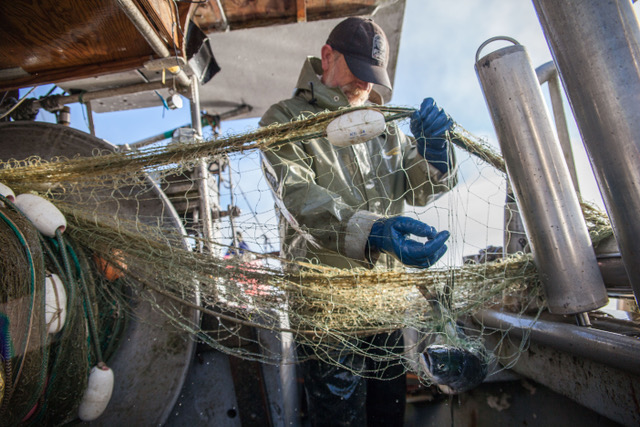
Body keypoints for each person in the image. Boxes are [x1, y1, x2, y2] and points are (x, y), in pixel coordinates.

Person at [260, 16, 457, 426]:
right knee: (339, 418)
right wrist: (376, 231)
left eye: (373, 76)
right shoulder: (284, 120)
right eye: (359, 72)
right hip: (327, 314)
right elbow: (298, 199)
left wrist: (438, 156)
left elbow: (421, 186)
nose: (364, 86)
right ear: (327, 57)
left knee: (389, 415)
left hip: (384, 307)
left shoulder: (384, 129)